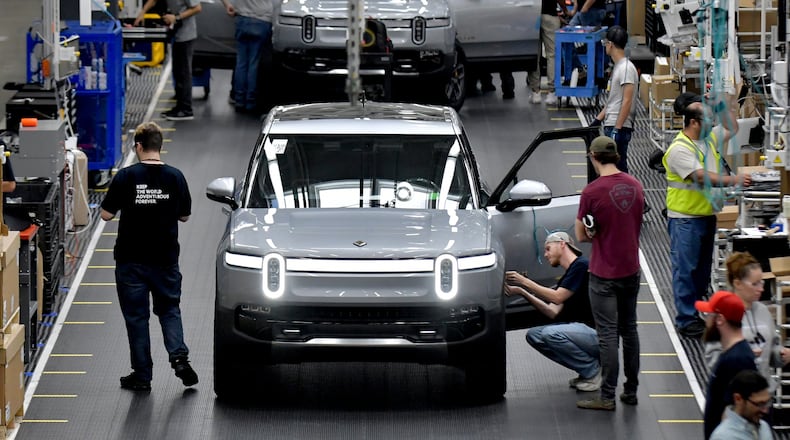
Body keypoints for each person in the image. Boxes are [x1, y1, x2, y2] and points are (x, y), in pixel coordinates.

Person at [100, 122, 197, 391]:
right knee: (169, 310)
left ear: (138, 147)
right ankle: (179, 357)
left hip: (131, 262)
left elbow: (106, 214)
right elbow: (185, 215)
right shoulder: (175, 176)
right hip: (165, 260)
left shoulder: (126, 176)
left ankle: (142, 375)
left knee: (137, 318)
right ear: (160, 146)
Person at [662, 92, 752, 338]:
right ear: (694, 123)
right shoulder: (679, 149)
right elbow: (700, 176)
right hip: (685, 219)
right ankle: (686, 319)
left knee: (701, 273)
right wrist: (733, 180)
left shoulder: (709, 139)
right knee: (685, 270)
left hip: (706, 215)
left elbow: (731, 126)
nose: (713, 125)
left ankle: (695, 311)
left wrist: (722, 104)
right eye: (708, 121)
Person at [574, 135, 644, 411]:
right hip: (631, 269)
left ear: (593, 157)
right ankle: (632, 390)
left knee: (607, 335)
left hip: (603, 274)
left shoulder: (591, 192)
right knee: (630, 330)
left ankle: (606, 396)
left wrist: (595, 232)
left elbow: (581, 235)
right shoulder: (636, 185)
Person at [503, 231, 600, 392]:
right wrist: (521, 291)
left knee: (550, 334)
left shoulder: (581, 265)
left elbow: (557, 297)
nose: (546, 255)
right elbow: (551, 311)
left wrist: (525, 281)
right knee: (534, 335)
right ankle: (587, 369)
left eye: (548, 249)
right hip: (584, 335)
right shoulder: (569, 276)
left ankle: (593, 372)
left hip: (598, 335)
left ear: (562, 244)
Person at [706, 252, 790, 392]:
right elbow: (713, 361)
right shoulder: (721, 316)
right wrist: (742, 357)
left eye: (762, 282)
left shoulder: (763, 311)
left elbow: (772, 348)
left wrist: (781, 354)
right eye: (755, 284)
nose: (761, 289)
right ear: (737, 283)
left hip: (762, 397)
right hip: (734, 399)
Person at [696, 290, 757, 439]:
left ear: (720, 319)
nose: (706, 321)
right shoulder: (732, 355)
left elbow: (736, 412)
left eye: (709, 315)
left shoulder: (737, 360)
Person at [136, 0, 203, 121]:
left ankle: (186, 109)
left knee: (184, 72)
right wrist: (142, 12)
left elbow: (197, 8)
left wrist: (176, 17)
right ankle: (180, 106)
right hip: (176, 34)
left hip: (186, 35)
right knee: (177, 71)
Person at [589, 26, 637, 173]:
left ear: (610, 44)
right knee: (611, 168)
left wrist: (618, 128)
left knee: (618, 168)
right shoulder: (619, 67)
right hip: (612, 123)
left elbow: (627, 100)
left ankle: (628, 194)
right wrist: (597, 120)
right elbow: (613, 100)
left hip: (618, 126)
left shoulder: (626, 68)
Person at [221, 0, 273, 114]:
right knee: (254, 63)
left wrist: (228, 5)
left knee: (241, 63)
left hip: (242, 19)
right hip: (263, 21)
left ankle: (239, 100)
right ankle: (251, 101)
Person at [710, 369, 773, 440]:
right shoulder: (723, 437)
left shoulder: (764, 427)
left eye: (767, 402)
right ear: (738, 399)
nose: (765, 410)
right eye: (760, 404)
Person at [527, 0, 562, 105]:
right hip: (550, 15)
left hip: (532, 17)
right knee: (552, 55)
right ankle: (551, 93)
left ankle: (535, 93)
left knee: (534, 55)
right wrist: (565, 11)